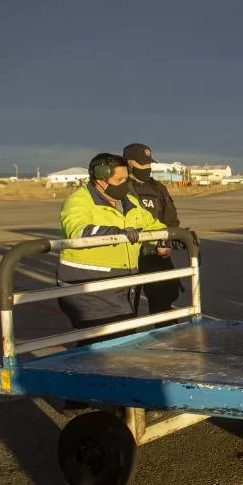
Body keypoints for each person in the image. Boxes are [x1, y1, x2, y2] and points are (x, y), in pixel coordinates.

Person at [57, 153, 169, 413]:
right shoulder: (78, 201)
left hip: (120, 281)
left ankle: (76, 399)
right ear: (100, 181)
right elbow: (77, 230)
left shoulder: (128, 201)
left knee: (94, 342)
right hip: (86, 283)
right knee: (116, 338)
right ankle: (124, 404)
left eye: (126, 178)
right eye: (119, 179)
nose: (125, 183)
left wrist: (167, 237)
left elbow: (149, 224)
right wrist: (117, 234)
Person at [123, 143, 183, 314]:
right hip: (128, 257)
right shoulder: (119, 189)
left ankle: (165, 337)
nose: (147, 168)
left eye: (149, 164)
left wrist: (168, 244)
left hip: (155, 254)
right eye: (142, 164)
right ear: (129, 163)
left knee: (164, 300)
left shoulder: (158, 188)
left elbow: (171, 221)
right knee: (125, 307)